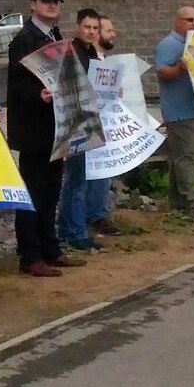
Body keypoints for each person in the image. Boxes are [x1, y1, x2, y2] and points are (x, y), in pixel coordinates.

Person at [7, 0, 82, 276]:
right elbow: (16, 86)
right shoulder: (24, 40)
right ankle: (29, 255)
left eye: (56, 2)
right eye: (46, 1)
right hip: (34, 131)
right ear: (33, 4)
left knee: (51, 192)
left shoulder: (56, 36)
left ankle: (50, 248)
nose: (52, 6)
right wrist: (37, 96)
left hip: (56, 128)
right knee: (33, 194)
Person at [153, 6, 194, 218]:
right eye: (189, 20)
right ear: (177, 22)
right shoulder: (169, 44)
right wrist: (178, 69)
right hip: (178, 111)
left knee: (181, 157)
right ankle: (193, 200)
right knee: (185, 158)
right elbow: (161, 71)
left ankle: (178, 202)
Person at [59, 8, 107, 250]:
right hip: (76, 124)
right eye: (87, 27)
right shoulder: (73, 52)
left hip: (87, 122)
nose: (91, 32)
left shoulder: (91, 54)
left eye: (95, 28)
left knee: (76, 180)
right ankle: (76, 234)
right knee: (76, 180)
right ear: (79, 27)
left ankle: (67, 228)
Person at [86, 15, 123, 239]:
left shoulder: (103, 60)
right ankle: (94, 215)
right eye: (109, 31)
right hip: (93, 124)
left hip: (105, 122)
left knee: (103, 172)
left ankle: (98, 212)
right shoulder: (91, 60)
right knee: (94, 173)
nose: (113, 34)